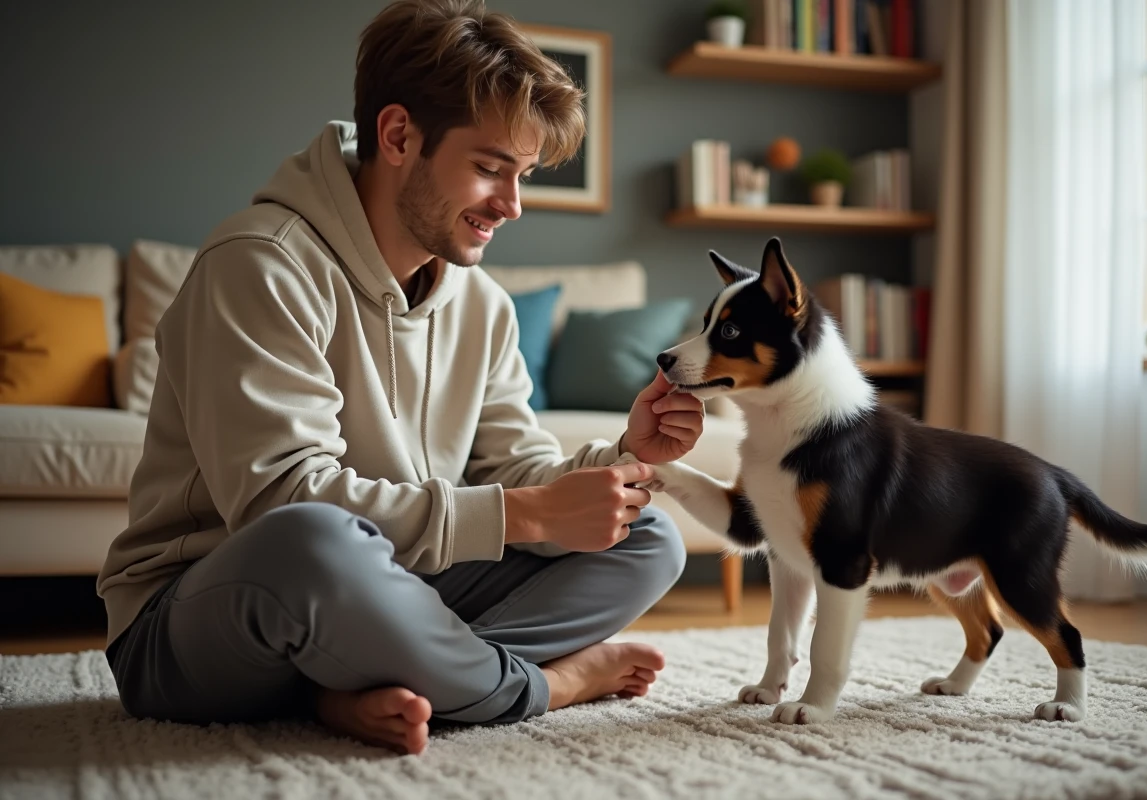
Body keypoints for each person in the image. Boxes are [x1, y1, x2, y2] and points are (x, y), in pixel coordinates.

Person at [96, 0, 705, 757]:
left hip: (393, 591)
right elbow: (278, 507)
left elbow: (515, 470)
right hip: (199, 623)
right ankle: (539, 686)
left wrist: (624, 459)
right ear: (397, 136)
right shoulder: (260, 266)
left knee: (645, 535)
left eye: (522, 176)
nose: (511, 207)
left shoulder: (480, 303)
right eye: (489, 169)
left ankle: (360, 684)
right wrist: (527, 520)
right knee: (312, 542)